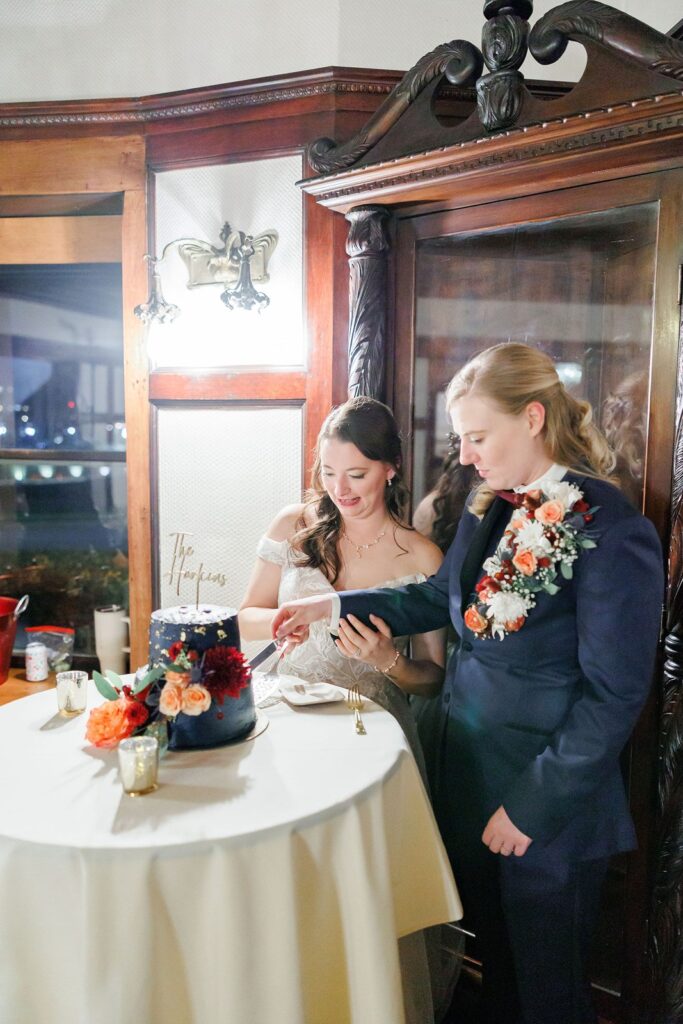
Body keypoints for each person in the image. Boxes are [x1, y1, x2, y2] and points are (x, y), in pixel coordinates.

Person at [272, 343, 664, 1024]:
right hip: (471, 777)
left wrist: (531, 808)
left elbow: (615, 695)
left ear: (534, 417)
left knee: (549, 996)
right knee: (500, 980)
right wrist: (331, 605)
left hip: (546, 805)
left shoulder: (610, 527)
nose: (465, 454)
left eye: (477, 436)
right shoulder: (490, 508)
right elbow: (435, 596)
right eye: (461, 437)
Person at [239, 396, 451, 1024]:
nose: (340, 490)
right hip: (284, 717)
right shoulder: (294, 524)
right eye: (328, 474)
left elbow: (433, 681)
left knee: (348, 884)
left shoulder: (421, 557)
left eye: (356, 475)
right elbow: (245, 613)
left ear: (390, 467)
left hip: (369, 736)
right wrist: (278, 623)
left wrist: (389, 660)